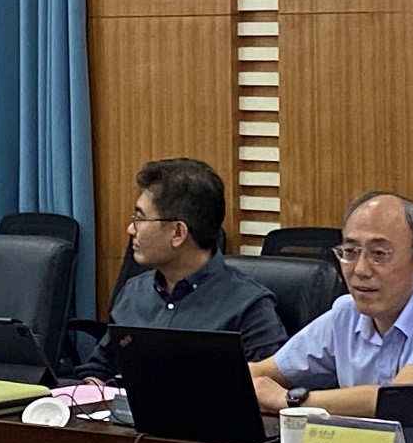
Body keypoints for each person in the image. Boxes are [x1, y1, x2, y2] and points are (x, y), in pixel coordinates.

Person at [249, 191, 413, 417]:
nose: (361, 270)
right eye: (350, 252)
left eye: (379, 254)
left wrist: (290, 401)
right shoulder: (346, 313)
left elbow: (401, 400)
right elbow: (260, 373)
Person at [76, 157, 287, 383]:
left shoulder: (249, 307)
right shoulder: (134, 292)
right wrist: (89, 388)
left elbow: (270, 388)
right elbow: (99, 368)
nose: (131, 229)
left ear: (177, 233)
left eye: (140, 218)